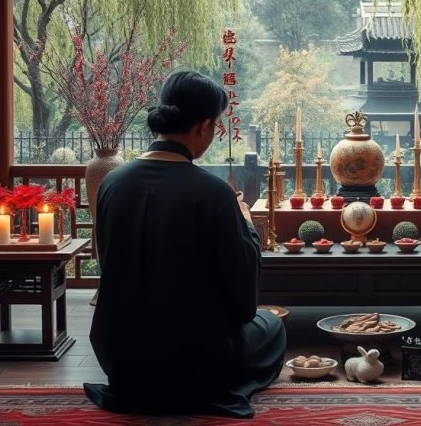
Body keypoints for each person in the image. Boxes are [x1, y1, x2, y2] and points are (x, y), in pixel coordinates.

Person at [85, 70, 285, 417]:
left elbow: (108, 266)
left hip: (121, 355)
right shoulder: (213, 192)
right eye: (217, 126)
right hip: (195, 360)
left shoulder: (113, 182)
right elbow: (243, 302)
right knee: (271, 326)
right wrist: (248, 225)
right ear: (205, 126)